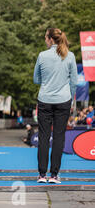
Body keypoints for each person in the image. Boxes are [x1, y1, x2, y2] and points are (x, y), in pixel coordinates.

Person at [33, 28, 78, 184]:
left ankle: (41, 174)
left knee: (44, 137)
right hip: (63, 100)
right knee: (59, 136)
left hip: (45, 99)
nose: (45, 40)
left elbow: (36, 80)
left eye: (46, 37)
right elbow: (74, 82)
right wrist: (69, 98)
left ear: (50, 39)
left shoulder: (42, 56)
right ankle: (54, 175)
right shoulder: (70, 56)